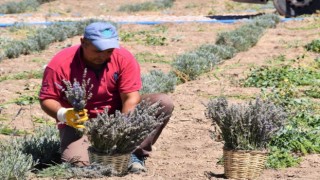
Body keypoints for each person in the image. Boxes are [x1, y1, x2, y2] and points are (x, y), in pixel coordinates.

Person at [39, 21, 174, 173]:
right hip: (79, 123)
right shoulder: (61, 63)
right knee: (81, 164)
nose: (103, 55)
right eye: (98, 51)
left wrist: (121, 129)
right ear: (83, 42)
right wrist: (64, 114)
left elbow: (131, 98)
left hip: (116, 115)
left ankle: (134, 153)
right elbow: (46, 99)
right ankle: (94, 148)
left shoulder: (123, 58)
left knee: (162, 102)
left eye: (109, 50)